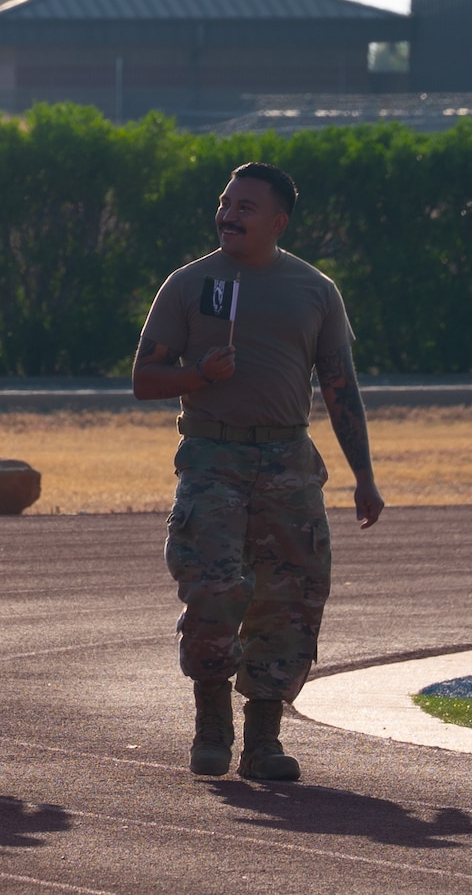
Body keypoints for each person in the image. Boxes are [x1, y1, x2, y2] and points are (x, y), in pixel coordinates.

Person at [134, 161, 384, 781]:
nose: (229, 214)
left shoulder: (315, 290)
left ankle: (265, 737)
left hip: (288, 462)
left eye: (246, 207)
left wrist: (365, 474)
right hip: (212, 460)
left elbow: (338, 386)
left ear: (279, 220)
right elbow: (144, 379)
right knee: (215, 590)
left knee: (290, 598)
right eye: (225, 203)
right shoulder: (188, 285)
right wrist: (198, 376)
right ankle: (211, 719)